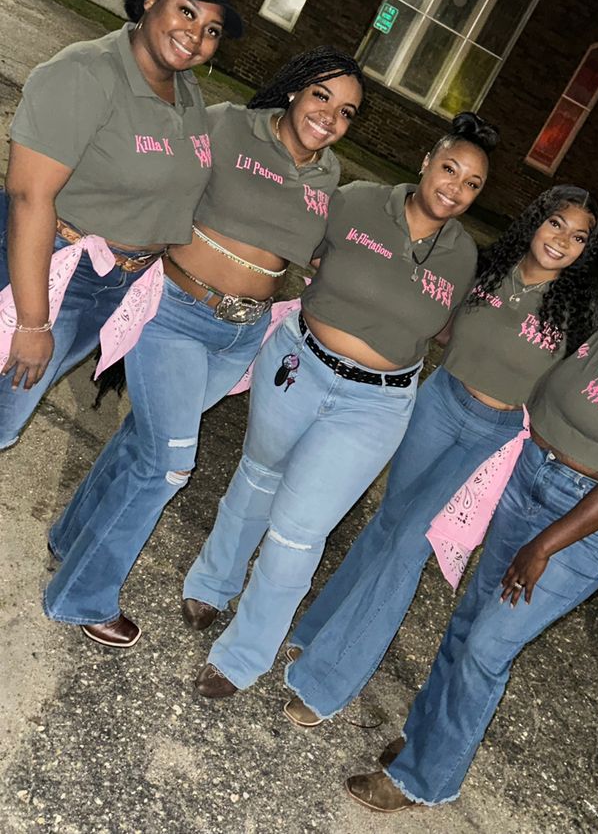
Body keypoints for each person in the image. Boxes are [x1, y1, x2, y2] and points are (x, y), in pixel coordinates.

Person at [340, 239, 598, 812]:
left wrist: (543, 547)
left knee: (489, 645)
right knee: (469, 620)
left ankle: (424, 780)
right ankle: (425, 742)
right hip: (527, 481)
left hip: (591, 520)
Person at [43, 46, 364, 648]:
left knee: (143, 441)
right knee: (168, 464)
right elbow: (160, 169)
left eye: (346, 112)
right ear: (295, 89)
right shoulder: (226, 123)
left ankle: (71, 538)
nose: (330, 117)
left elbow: (316, 249)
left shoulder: (329, 175)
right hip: (173, 313)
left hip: (240, 334)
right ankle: (81, 596)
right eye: (322, 96)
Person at [182, 112, 497, 698]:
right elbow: (297, 242)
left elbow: (454, 328)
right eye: (449, 167)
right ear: (427, 161)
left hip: (373, 406)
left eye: (472, 183)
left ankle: (244, 655)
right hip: (299, 364)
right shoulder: (355, 201)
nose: (454, 186)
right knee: (257, 477)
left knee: (299, 531)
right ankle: (213, 580)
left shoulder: (462, 257)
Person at [282, 185, 598, 727]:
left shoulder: (579, 313)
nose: (562, 242)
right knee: (387, 522)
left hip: (496, 435)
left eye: (579, 238)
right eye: (556, 225)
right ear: (535, 220)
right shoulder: (486, 268)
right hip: (439, 400)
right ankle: (317, 631)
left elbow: (584, 393)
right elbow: (435, 320)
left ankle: (326, 682)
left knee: (409, 546)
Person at [0, 0, 242, 448]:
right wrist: (31, 320)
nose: (196, 35)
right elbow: (28, 196)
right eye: (187, 11)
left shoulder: (188, 92)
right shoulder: (86, 73)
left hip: (117, 287)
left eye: (212, 29)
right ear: (151, 0)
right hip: (54, 274)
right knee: (5, 414)